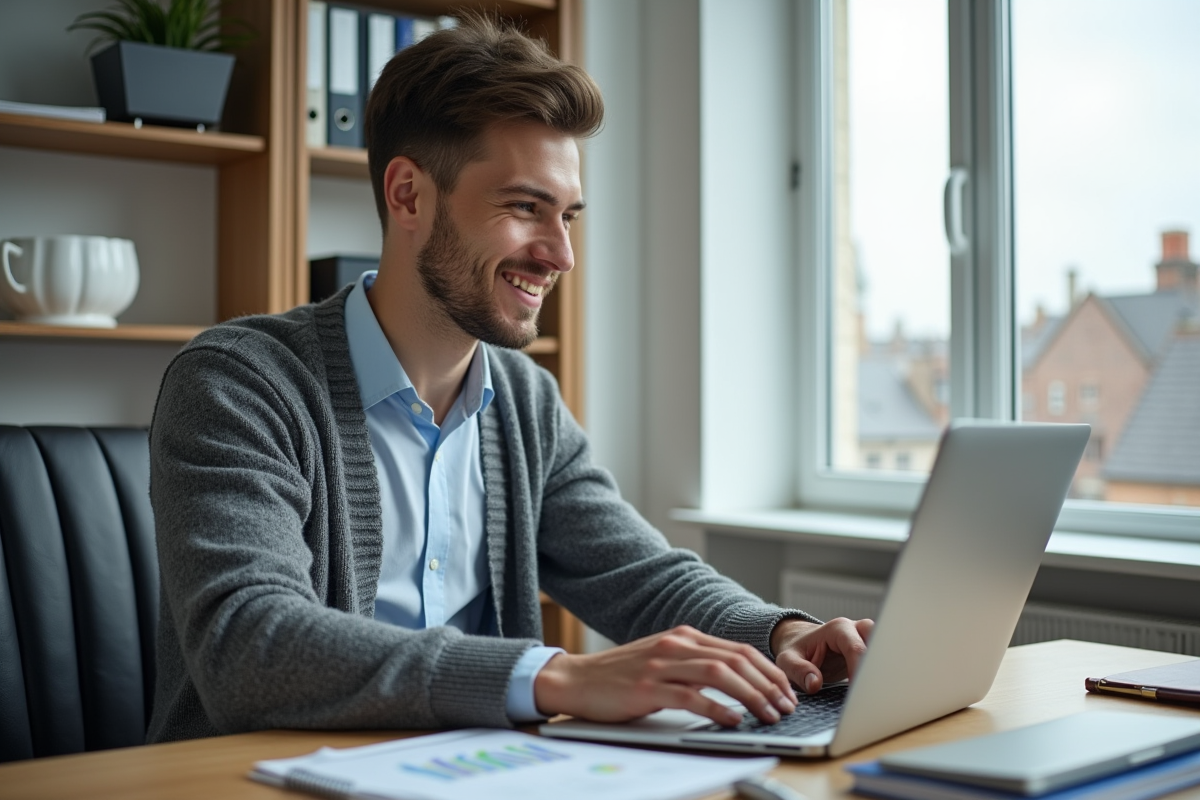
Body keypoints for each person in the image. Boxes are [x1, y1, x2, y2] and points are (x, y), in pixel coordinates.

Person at [146, 15, 872, 745]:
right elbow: (247, 644)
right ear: (408, 196)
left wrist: (779, 632)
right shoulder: (239, 385)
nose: (560, 255)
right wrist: (555, 676)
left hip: (470, 775)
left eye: (569, 217)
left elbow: (642, 574)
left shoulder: (526, 403)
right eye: (525, 207)